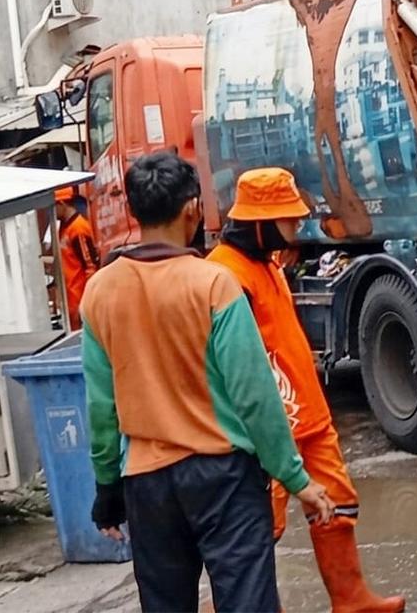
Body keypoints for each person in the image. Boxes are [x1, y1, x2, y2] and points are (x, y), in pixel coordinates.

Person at [81, 152, 333, 613]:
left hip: (147, 483)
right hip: (224, 478)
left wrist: (107, 488)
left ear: (134, 212)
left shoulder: (100, 290)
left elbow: (101, 407)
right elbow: (255, 396)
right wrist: (296, 478)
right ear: (193, 209)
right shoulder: (215, 284)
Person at [208, 168, 405, 613]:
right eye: (288, 219)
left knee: (337, 501)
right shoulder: (224, 275)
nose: (298, 226)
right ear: (261, 222)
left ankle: (351, 598)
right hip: (264, 424)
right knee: (261, 523)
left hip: (308, 414)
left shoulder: (266, 264)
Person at [53, 186, 100, 330]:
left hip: (80, 301)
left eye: (54, 206)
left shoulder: (78, 228)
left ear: (62, 204)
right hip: (71, 303)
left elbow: (91, 266)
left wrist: (86, 302)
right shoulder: (64, 227)